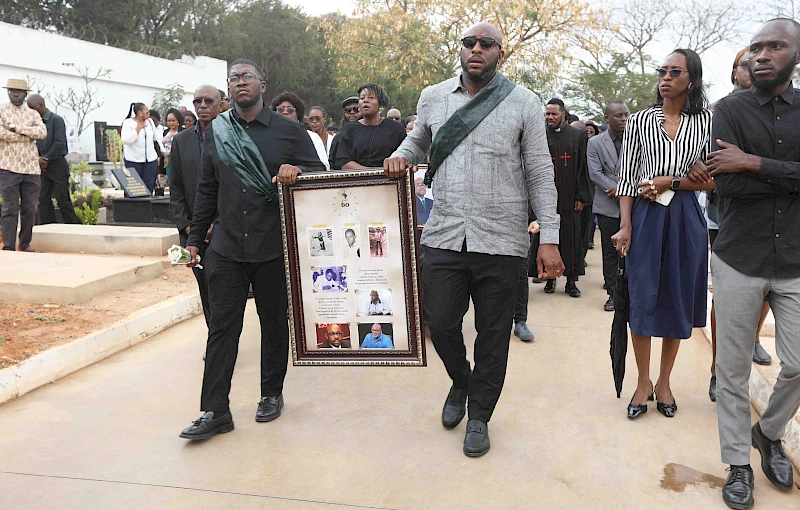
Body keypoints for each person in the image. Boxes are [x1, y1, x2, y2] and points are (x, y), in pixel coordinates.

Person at [384, 22, 563, 457]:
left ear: (501, 52)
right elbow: (417, 140)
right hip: (444, 232)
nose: (476, 50)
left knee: (493, 334)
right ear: (459, 50)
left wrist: (550, 237)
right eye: (469, 43)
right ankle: (461, 382)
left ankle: (480, 414)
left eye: (486, 44)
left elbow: (540, 171)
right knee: (440, 322)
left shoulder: (523, 102)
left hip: (501, 239)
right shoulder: (433, 96)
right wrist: (400, 157)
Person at [178, 59, 326, 441]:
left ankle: (271, 393)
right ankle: (215, 410)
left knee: (274, 323)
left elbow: (321, 178)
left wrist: (297, 173)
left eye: (247, 77)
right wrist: (195, 241)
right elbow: (207, 190)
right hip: (226, 246)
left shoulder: (290, 131)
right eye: (234, 78)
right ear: (229, 89)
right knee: (222, 329)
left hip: (273, 245)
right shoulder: (219, 131)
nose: (240, 82)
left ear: (262, 83)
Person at [708, 18, 800, 509]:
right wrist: (777, 174)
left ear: (797, 54)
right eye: (757, 48)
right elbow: (727, 185)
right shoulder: (730, 109)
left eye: (776, 46)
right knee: (733, 366)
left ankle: (769, 432)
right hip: (739, 256)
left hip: (796, 259)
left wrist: (755, 162)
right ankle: (738, 463)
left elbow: (744, 173)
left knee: (799, 362)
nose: (762, 55)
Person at [611, 48, 714, 422]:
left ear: (692, 79)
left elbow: (715, 179)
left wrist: (671, 181)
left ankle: (665, 382)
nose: (666, 78)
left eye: (675, 72)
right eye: (662, 71)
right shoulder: (639, 121)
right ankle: (642, 381)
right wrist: (625, 225)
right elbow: (626, 178)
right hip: (646, 217)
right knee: (642, 297)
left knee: (676, 298)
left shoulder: (707, 122)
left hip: (687, 218)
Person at [706, 46, 772, 404]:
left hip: (776, 219)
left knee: (767, 286)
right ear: (735, 73)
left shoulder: (784, 112)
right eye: (741, 64)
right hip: (726, 215)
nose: (749, 68)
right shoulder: (723, 110)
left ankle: (754, 338)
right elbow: (719, 169)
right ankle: (718, 367)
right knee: (728, 295)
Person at [170, 85, 221, 329]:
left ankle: (223, 339)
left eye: (208, 101)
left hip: (224, 228)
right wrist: (188, 226)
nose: (202, 106)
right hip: (192, 232)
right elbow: (176, 187)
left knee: (222, 287)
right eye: (197, 101)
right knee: (204, 285)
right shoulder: (181, 141)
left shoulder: (231, 137)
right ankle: (215, 338)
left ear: (221, 105)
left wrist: (216, 225)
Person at [544, 98, 592, 297]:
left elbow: (583, 168)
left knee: (571, 239)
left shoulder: (577, 136)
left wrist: (582, 196)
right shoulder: (539, 134)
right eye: (547, 114)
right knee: (547, 238)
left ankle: (571, 281)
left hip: (570, 196)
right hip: (547, 197)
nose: (550, 117)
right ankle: (549, 279)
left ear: (563, 114)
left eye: (554, 114)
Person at [587, 100, 630, 312]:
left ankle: (630, 293)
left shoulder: (637, 140)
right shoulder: (595, 143)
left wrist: (623, 190)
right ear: (607, 118)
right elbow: (595, 173)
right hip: (607, 204)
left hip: (633, 205)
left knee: (631, 252)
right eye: (618, 116)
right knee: (610, 253)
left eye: (626, 115)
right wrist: (615, 189)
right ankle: (613, 294)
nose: (623, 119)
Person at [0, 79, 47, 251]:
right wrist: (27, 134)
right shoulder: (1, 110)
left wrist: (15, 128)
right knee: (9, 208)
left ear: (25, 94)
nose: (15, 94)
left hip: (31, 168)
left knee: (30, 208)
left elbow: (42, 132)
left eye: (19, 91)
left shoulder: (33, 114)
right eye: (12, 91)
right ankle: (9, 246)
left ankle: (25, 243)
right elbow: (1, 133)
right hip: (8, 166)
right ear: (8, 92)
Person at [26, 94, 81, 225]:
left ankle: (73, 226)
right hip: (41, 165)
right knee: (43, 198)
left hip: (57, 164)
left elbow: (59, 143)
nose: (30, 112)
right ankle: (48, 225)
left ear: (41, 106)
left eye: (32, 108)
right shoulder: (34, 124)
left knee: (62, 198)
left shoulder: (56, 120)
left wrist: (46, 158)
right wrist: (38, 159)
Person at [334, 83, 406, 169]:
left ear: (380, 104)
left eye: (371, 97)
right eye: (362, 98)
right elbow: (344, 162)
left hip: (390, 179)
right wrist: (370, 173)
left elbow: (404, 157)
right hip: (357, 179)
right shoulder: (348, 129)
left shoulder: (396, 129)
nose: (365, 100)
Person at [270, 91, 329, 170]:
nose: (285, 112)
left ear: (298, 115)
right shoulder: (268, 135)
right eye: (281, 109)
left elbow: (324, 166)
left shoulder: (313, 137)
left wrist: (298, 169)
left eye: (290, 110)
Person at [120, 102, 161, 193]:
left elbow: (156, 137)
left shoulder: (150, 121)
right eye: (147, 111)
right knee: (134, 188)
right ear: (140, 112)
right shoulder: (128, 123)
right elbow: (126, 140)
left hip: (150, 159)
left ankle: (148, 206)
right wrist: (137, 129)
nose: (149, 113)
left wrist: (163, 152)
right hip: (133, 160)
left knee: (149, 186)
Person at [162, 108, 184, 179]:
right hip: (168, 159)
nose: (171, 123)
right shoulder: (165, 132)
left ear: (178, 120)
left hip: (180, 159)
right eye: (169, 121)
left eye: (173, 120)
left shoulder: (183, 131)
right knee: (170, 179)